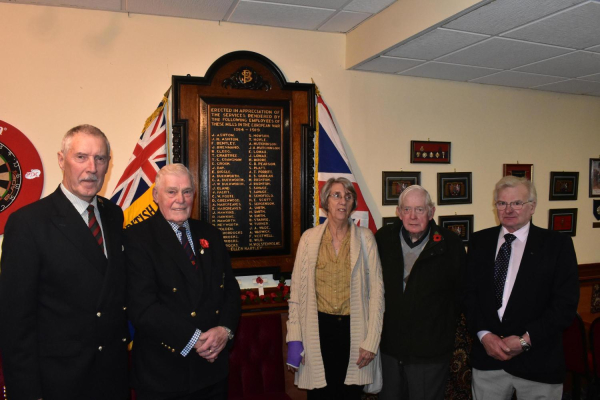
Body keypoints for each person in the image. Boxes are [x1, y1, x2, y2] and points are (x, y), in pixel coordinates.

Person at [0, 124, 129, 400]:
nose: (91, 168)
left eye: (100, 158)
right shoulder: (28, 223)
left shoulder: (113, 214)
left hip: (112, 378)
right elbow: (15, 323)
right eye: (81, 157)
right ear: (62, 160)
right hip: (60, 383)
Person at [125, 163, 240, 400]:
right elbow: (143, 307)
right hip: (164, 374)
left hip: (212, 371)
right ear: (156, 195)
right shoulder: (137, 238)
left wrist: (224, 330)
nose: (181, 199)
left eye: (187, 191)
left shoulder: (211, 234)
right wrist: (195, 340)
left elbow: (230, 288)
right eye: (171, 191)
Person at [465, 176, 579, 399]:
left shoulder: (557, 245)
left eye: (517, 203)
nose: (508, 210)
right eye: (501, 203)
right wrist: (484, 335)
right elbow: (468, 296)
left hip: (539, 363)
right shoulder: (479, 242)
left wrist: (525, 341)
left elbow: (564, 306)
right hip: (488, 362)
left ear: (532, 206)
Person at [286, 177, 385, 400]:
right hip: (318, 331)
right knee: (319, 395)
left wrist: (371, 342)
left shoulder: (366, 238)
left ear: (352, 204)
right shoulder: (309, 239)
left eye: (348, 196)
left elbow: (377, 295)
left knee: (349, 394)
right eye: (337, 195)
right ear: (325, 202)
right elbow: (297, 295)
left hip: (354, 333)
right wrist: (294, 337)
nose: (342, 201)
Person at [375, 185, 466, 400]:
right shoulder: (383, 239)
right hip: (389, 350)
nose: (412, 216)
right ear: (398, 212)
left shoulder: (450, 244)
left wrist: (440, 330)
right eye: (406, 209)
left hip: (430, 354)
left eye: (420, 209)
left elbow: (461, 295)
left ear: (432, 212)